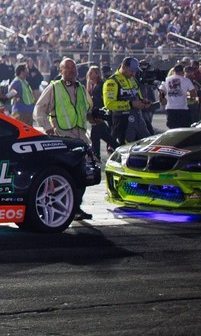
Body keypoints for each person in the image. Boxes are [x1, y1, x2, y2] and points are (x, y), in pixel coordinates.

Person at [34, 56, 94, 221]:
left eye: (73, 68)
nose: (70, 71)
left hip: (81, 138)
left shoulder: (81, 88)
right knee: (66, 176)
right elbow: (39, 109)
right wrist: (47, 128)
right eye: (66, 68)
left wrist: (94, 118)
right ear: (60, 71)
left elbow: (87, 110)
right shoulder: (54, 88)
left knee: (83, 175)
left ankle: (75, 207)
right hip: (64, 139)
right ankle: (64, 208)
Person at [103, 56, 151, 146]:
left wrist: (143, 102)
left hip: (138, 120)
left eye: (135, 71)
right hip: (122, 122)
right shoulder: (112, 82)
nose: (133, 74)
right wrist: (130, 104)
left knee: (146, 145)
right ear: (123, 67)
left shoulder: (132, 80)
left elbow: (138, 96)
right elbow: (109, 104)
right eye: (131, 71)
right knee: (125, 149)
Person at [161, 62, 196, 130]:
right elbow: (193, 94)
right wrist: (190, 100)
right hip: (183, 109)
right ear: (182, 71)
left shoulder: (166, 79)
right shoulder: (186, 80)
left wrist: (162, 99)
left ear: (174, 71)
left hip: (170, 109)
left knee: (172, 129)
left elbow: (161, 91)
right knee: (184, 129)